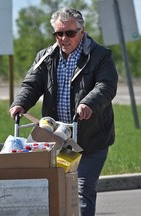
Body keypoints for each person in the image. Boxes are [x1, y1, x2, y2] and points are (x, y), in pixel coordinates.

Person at [9, 7, 118, 216]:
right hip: (54, 139)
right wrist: (20, 103)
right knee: (52, 190)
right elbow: (31, 84)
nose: (64, 38)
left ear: (81, 32)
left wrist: (88, 104)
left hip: (89, 140)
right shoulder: (46, 56)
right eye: (59, 33)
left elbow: (106, 86)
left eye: (70, 33)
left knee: (82, 190)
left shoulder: (100, 55)